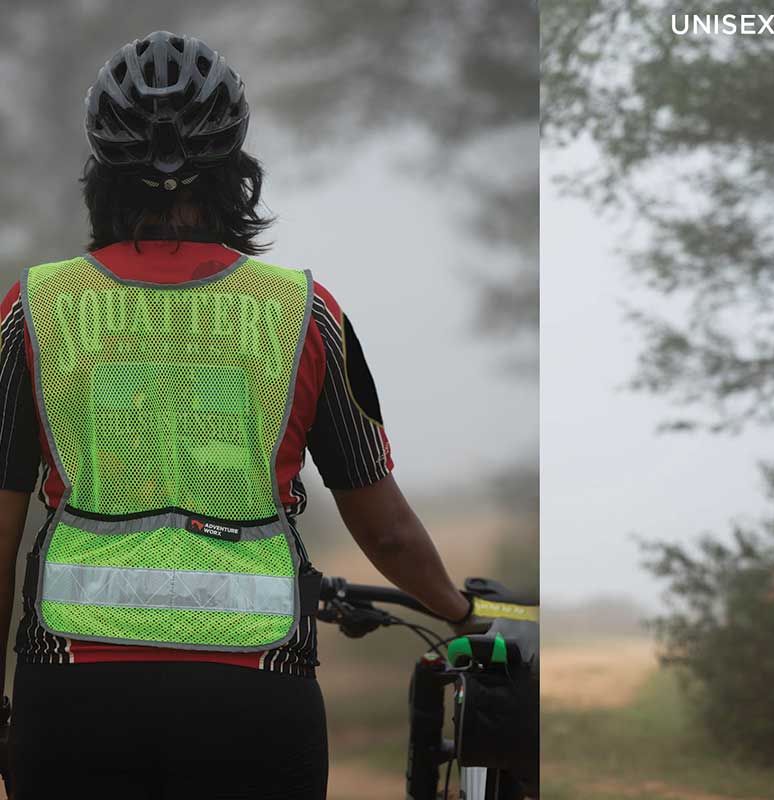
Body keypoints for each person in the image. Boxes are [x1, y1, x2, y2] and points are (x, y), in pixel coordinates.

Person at [0, 31, 471, 799]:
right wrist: (459, 609)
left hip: (73, 690)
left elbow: (1, 526)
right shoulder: (306, 313)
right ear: (236, 169)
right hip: (255, 692)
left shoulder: (35, 307)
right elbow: (384, 527)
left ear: (100, 172)